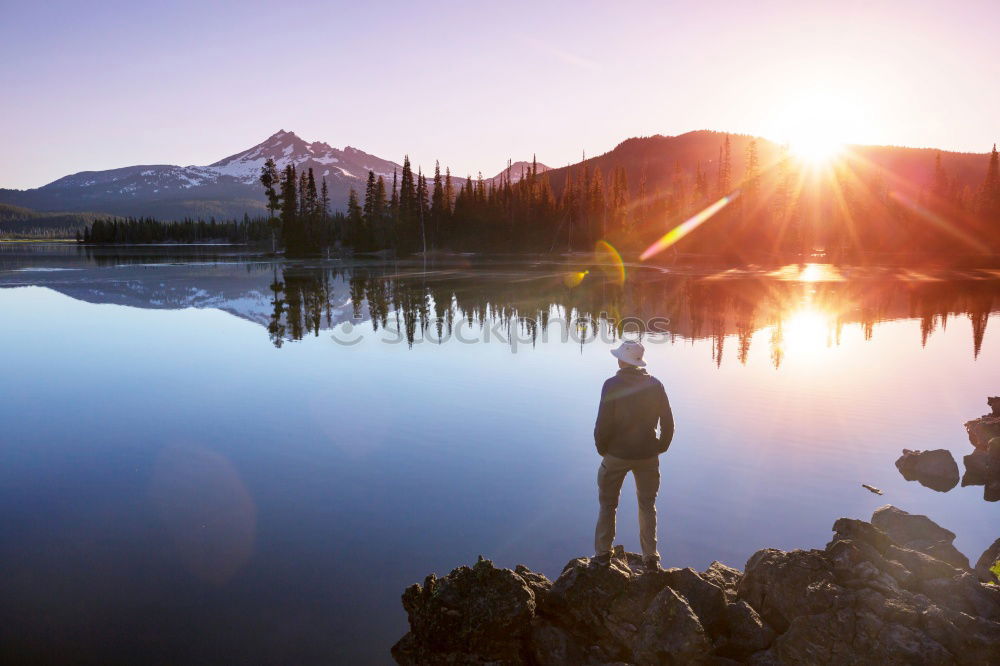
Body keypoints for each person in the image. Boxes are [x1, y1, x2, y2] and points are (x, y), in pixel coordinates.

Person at [593, 339, 674, 571]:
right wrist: (660, 446)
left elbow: (603, 424)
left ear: (622, 361)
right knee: (647, 505)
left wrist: (602, 449)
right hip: (648, 455)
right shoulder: (655, 385)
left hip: (616, 455)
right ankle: (650, 559)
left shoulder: (611, 385)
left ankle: (602, 556)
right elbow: (668, 423)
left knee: (608, 504)